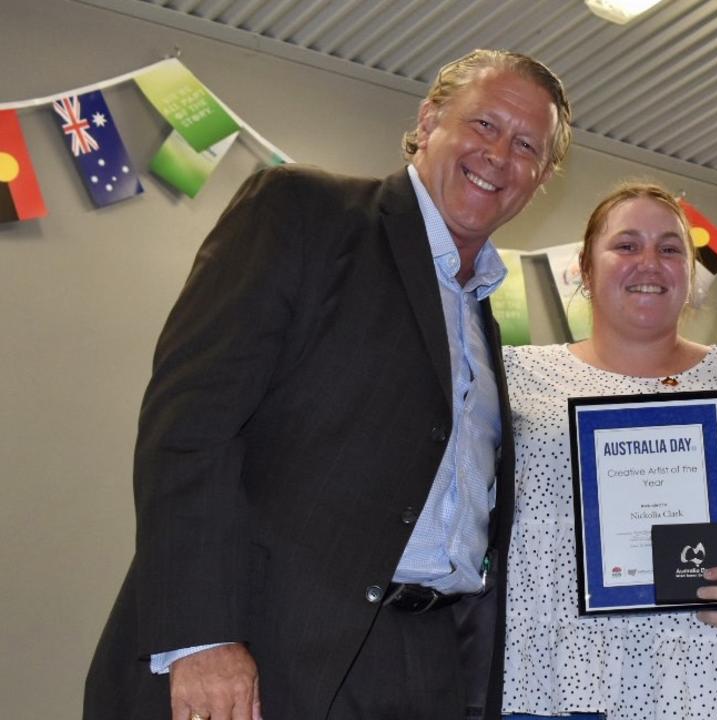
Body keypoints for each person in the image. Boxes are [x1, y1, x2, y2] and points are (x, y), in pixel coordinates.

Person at [83, 49, 572, 720]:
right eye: (483, 125)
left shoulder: (485, 322)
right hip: (264, 650)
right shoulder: (306, 212)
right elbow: (190, 426)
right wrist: (200, 636)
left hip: (421, 664)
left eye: (525, 146)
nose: (499, 155)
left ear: (540, 177)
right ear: (429, 121)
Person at [499, 182, 717, 719]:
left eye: (670, 248)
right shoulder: (514, 377)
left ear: (690, 273)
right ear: (585, 270)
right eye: (626, 245)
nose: (649, 263)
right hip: (556, 682)